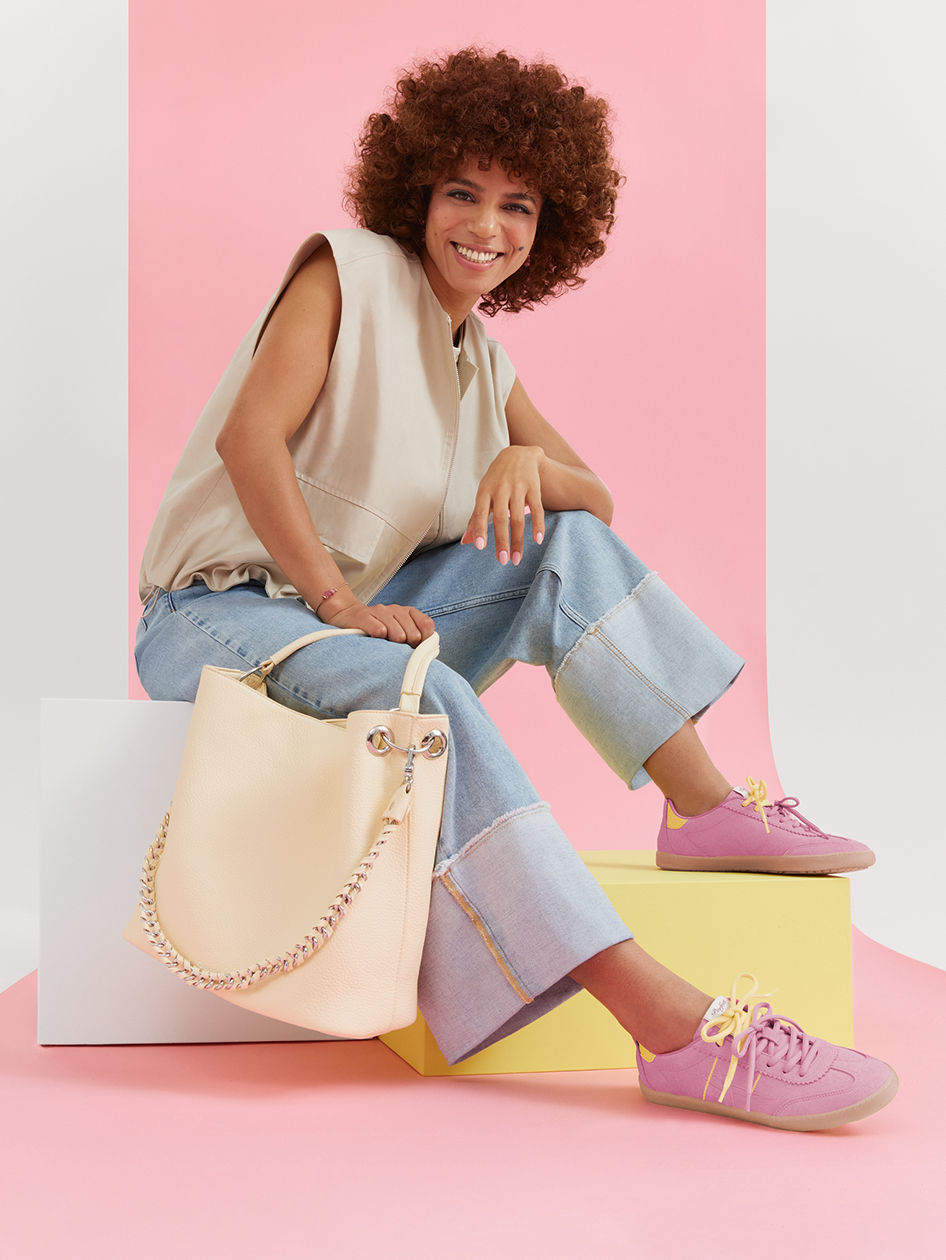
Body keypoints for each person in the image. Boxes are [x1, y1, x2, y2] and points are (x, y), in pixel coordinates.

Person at [135, 48, 896, 1130]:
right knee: (424, 697)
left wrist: (527, 464)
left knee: (561, 543)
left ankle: (706, 808)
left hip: (344, 620)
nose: (484, 225)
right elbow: (249, 440)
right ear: (416, 194)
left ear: (550, 228)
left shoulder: (480, 361)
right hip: (215, 613)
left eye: (517, 205)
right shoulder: (345, 273)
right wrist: (339, 604)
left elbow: (592, 504)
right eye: (460, 192)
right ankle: (676, 1031)